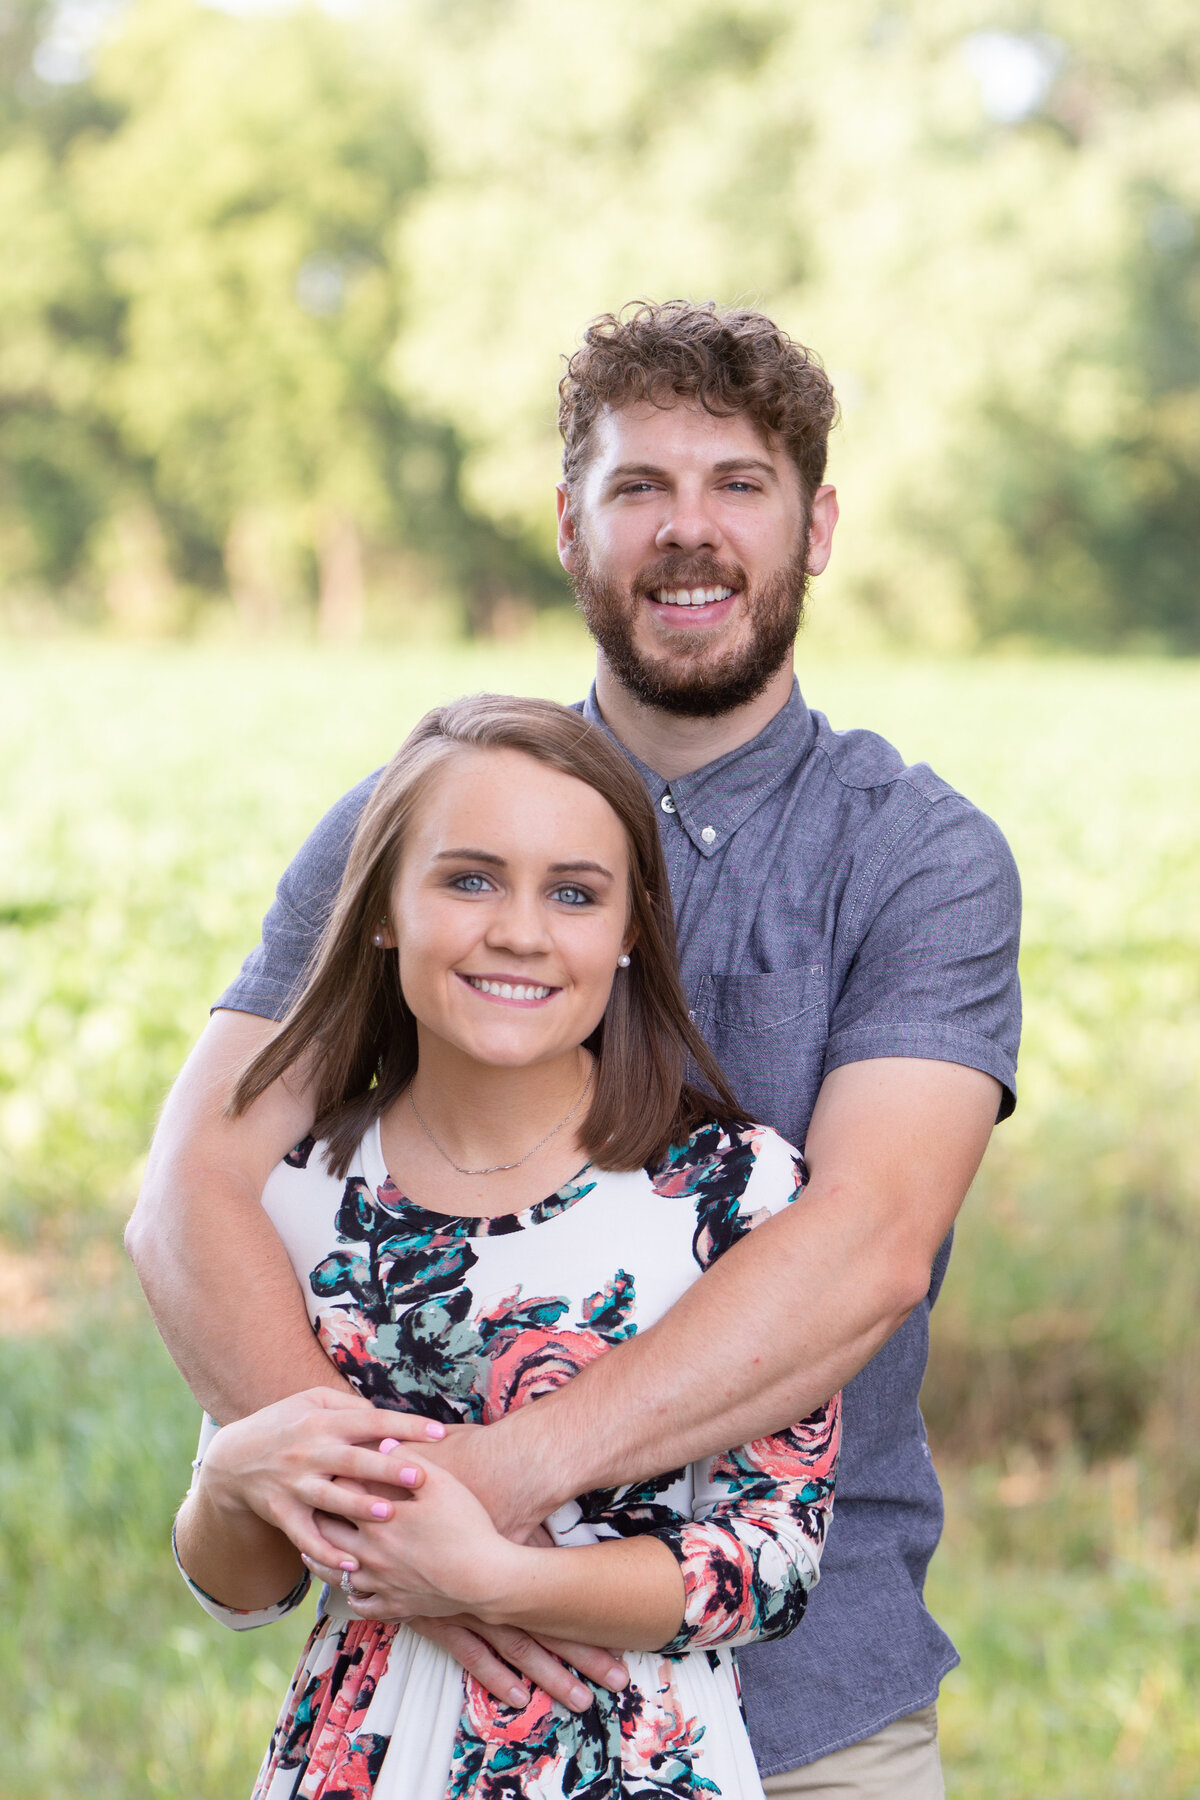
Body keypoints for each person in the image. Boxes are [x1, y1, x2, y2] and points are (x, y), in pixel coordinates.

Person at [127, 300, 1021, 1798]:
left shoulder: (915, 857)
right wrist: (392, 1526)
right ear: (566, 524)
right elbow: (190, 1195)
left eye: (740, 485)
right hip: (419, 1706)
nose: (691, 531)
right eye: (638, 488)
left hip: (806, 1699)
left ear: (817, 527)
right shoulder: (402, 826)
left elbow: (866, 1248)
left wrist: (490, 1503)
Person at [173, 694, 841, 1799]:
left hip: (634, 1757)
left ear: (630, 932)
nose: (520, 931)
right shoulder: (295, 1198)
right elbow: (245, 1590)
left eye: (573, 893)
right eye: (469, 879)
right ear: (385, 905)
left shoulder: (733, 1189)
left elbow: (773, 1564)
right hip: (360, 1758)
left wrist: (495, 1580)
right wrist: (230, 1481)